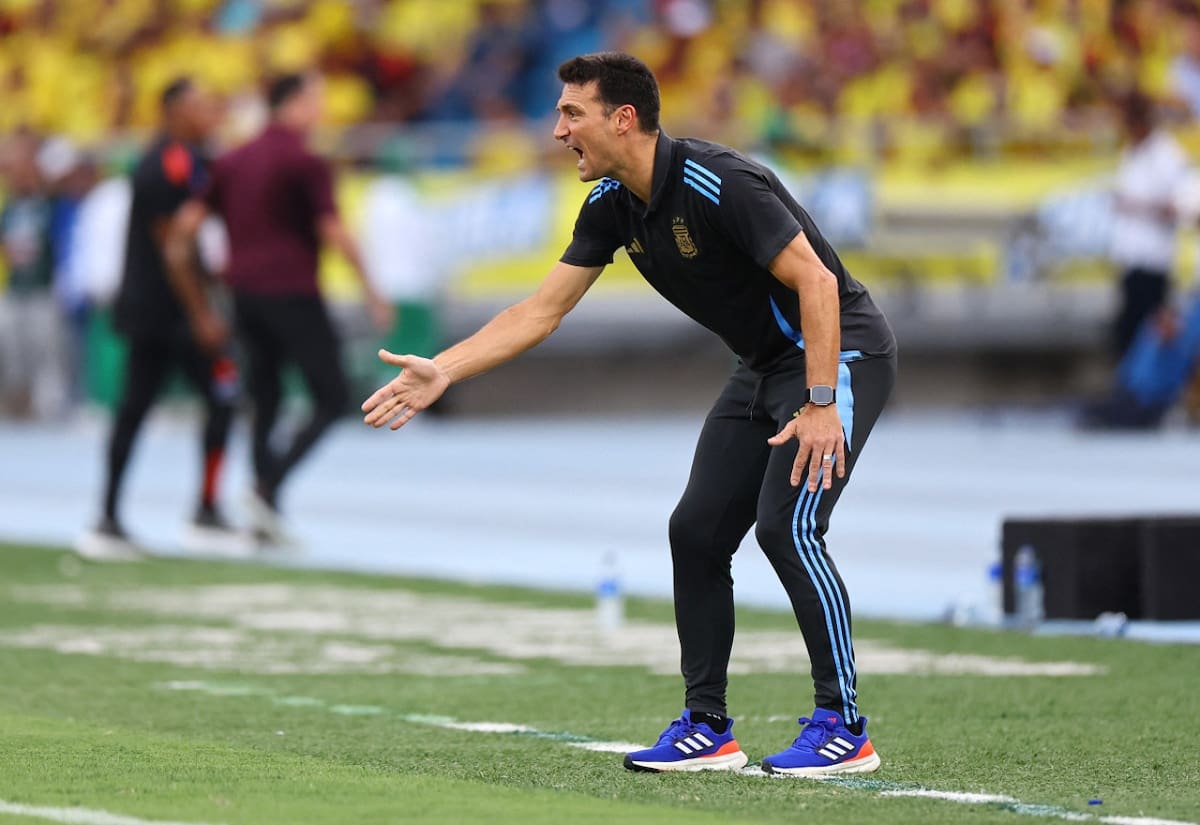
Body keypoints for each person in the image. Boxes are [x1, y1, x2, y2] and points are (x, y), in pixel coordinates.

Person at [361, 52, 897, 776]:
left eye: (571, 114)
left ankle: (844, 724)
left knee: (788, 525)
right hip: (763, 368)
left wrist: (822, 401)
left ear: (623, 119)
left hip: (839, 355)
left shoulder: (721, 180)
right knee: (697, 531)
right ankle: (709, 725)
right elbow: (539, 311)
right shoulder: (610, 205)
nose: (557, 131)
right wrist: (445, 368)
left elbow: (818, 283)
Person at [170, 71, 393, 543]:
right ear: (293, 104)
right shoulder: (304, 161)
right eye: (315, 100)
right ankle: (267, 487)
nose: (321, 110)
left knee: (265, 397)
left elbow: (186, 227)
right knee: (331, 395)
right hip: (291, 289)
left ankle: (263, 513)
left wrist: (203, 281)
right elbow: (333, 231)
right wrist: (372, 290)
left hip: (243, 295)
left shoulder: (232, 160)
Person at [78, 77, 242, 561]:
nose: (208, 114)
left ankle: (117, 516)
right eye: (198, 106)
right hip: (162, 312)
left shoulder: (190, 162)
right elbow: (174, 251)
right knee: (192, 400)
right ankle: (187, 511)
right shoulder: (165, 165)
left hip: (163, 308)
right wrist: (204, 313)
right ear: (172, 112)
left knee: (180, 403)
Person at [1109, 90, 1189, 359]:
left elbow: (1181, 207)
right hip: (1131, 255)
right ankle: (1130, 389)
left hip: (1154, 258)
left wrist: (1136, 206)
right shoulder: (1131, 152)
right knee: (1126, 329)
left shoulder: (1167, 154)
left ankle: (1143, 391)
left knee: (1148, 332)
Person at [0, 132, 68, 419]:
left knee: (46, 351)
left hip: (44, 288)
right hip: (16, 288)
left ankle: (50, 409)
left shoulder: (50, 203)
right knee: (12, 350)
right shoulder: (9, 209)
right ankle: (17, 406)